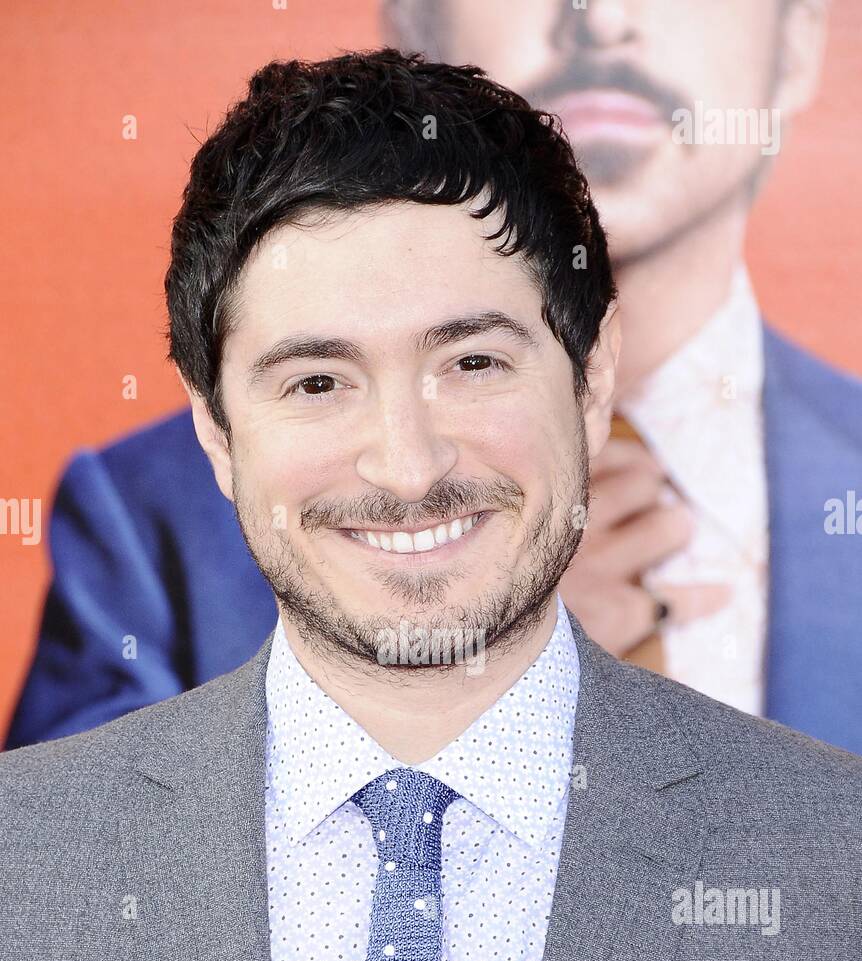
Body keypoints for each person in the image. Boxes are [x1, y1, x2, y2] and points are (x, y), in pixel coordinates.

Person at [1, 50, 859, 961]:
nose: (404, 465)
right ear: (215, 433)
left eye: (472, 363)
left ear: (593, 374)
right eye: (315, 381)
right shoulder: (21, 870)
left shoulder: (834, 857)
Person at [6, 0, 862, 754]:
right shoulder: (140, 516)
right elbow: (82, 882)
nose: (596, 17)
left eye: (476, 363)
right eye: (318, 382)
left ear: (796, 39)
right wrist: (481, 659)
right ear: (415, 20)